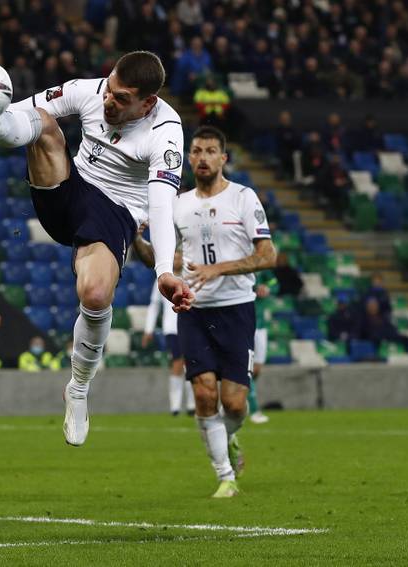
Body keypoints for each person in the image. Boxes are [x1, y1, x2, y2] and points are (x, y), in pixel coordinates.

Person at [0, 51, 192, 447]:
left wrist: (164, 269)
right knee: (41, 122)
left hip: (116, 212)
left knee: (94, 293)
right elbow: (18, 114)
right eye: (109, 90)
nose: (109, 101)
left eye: (122, 99)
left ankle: (78, 387)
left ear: (147, 102)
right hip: (67, 189)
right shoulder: (87, 91)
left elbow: (161, 202)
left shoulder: (166, 132)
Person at [174, 126, 276, 498]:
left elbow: (268, 255)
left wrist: (219, 268)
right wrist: (138, 241)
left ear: (223, 158)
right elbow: (167, 258)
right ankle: (225, 476)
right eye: (196, 151)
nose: (202, 157)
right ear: (188, 157)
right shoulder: (178, 203)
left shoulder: (244, 199)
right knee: (203, 394)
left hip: (236, 308)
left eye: (210, 151)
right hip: (193, 310)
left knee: (234, 404)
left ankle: (230, 439)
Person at [143, 282, 194, 416]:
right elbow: (154, 305)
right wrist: (149, 329)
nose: (178, 260)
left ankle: (191, 404)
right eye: (175, 258)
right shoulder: (164, 277)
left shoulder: (188, 275)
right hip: (172, 328)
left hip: (190, 326)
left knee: (190, 363)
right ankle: (175, 406)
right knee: (177, 362)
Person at [250, 272, 278, 425]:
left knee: (257, 369)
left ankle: (240, 394)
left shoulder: (262, 267)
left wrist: (268, 288)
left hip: (261, 325)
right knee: (246, 368)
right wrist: (254, 288)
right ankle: (254, 410)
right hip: (244, 323)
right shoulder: (238, 261)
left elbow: (275, 282)